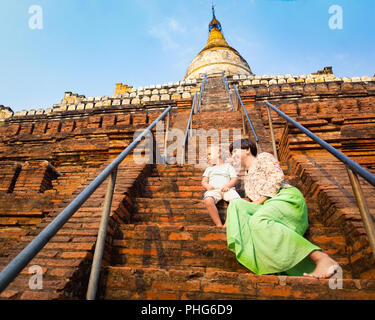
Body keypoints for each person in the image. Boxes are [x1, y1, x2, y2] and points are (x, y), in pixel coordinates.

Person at [226, 138, 339, 279]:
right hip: (268, 206)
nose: (233, 156)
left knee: (257, 221)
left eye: (235, 151)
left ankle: (321, 258)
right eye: (231, 154)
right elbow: (253, 201)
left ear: (248, 149)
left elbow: (276, 177)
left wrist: (259, 200)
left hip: (285, 198)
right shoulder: (247, 178)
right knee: (236, 204)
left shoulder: (263, 158)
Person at [202, 146, 241, 228]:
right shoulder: (209, 169)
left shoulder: (228, 166)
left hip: (227, 189)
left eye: (209, 154)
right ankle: (218, 224)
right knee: (208, 200)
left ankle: (227, 223)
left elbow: (234, 179)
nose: (207, 156)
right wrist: (208, 186)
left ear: (219, 154)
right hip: (214, 190)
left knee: (235, 201)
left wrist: (228, 186)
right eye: (207, 155)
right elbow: (204, 181)